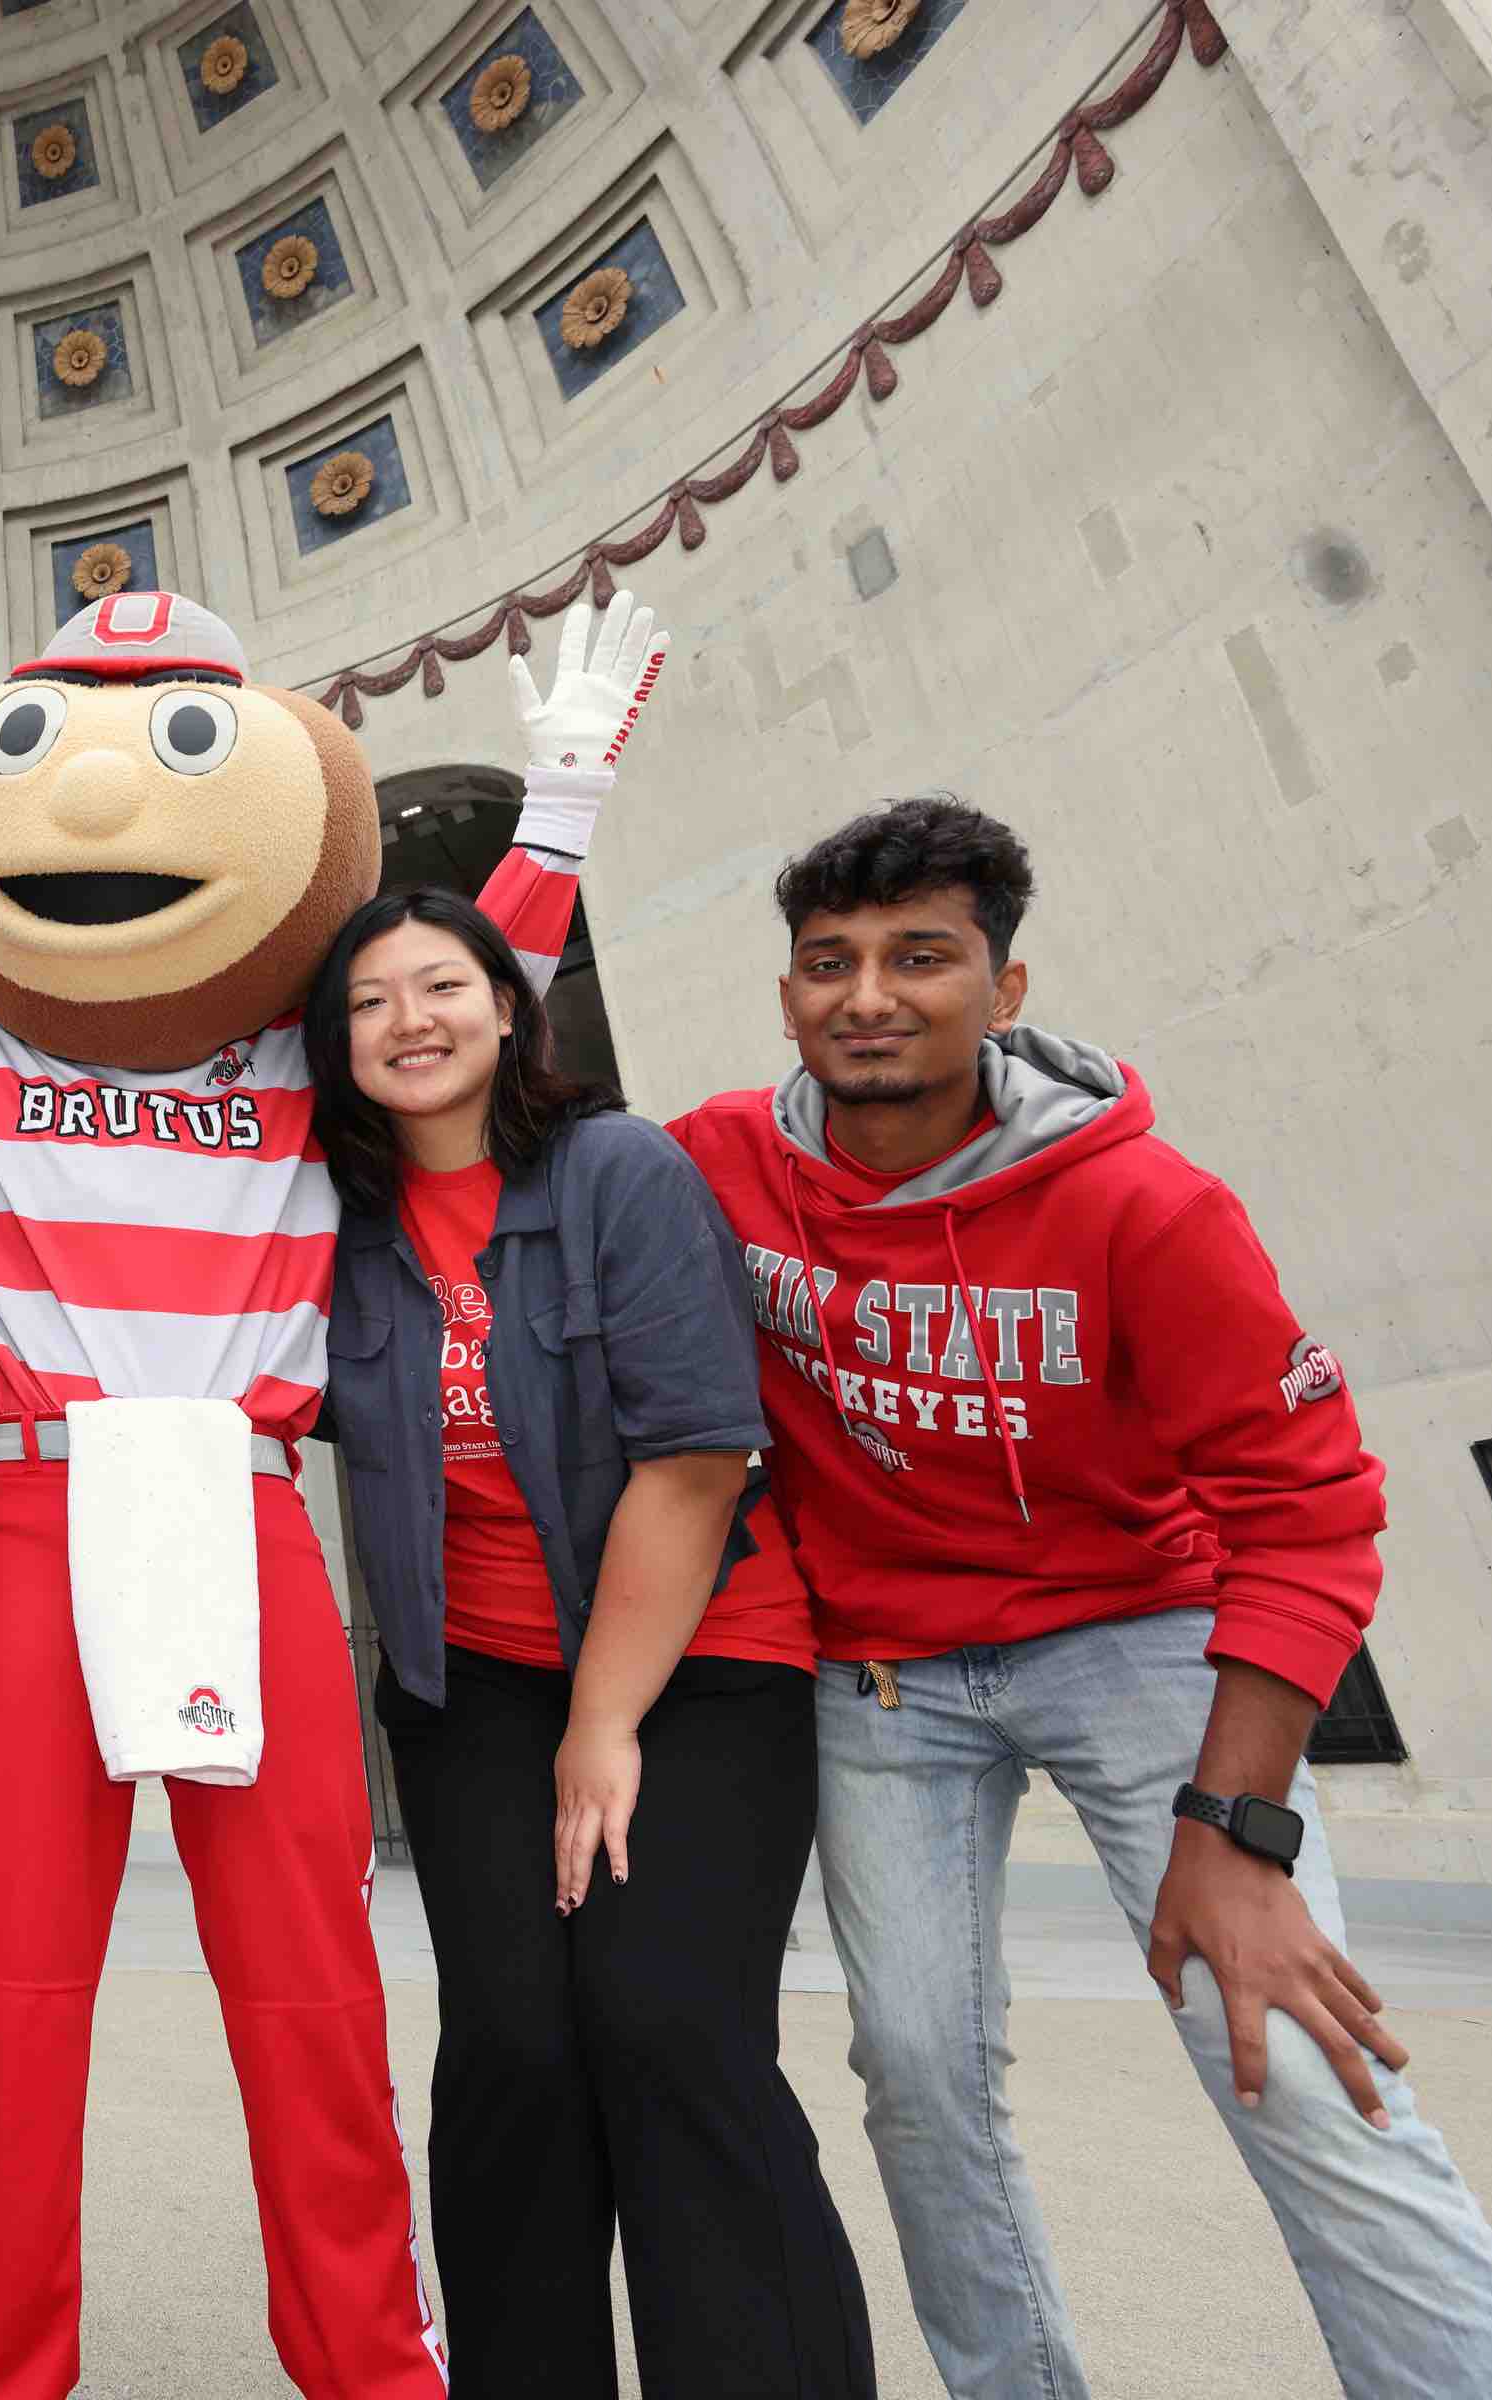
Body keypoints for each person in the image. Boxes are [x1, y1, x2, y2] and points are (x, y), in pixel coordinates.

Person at [0, 592, 667, 2399]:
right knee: (8, 1993)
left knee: (310, 1985)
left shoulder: (305, 1062)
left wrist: (561, 803)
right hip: (31, 1516)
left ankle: (375, 2365)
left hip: (242, 1507)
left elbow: (451, 998)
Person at [477, 793, 1492, 2395]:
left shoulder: (1148, 1209)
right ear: (786, 996)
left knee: (1292, 2058)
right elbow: (470, 1054)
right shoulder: (718, 1162)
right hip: (888, 1676)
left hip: (1138, 1642)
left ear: (1007, 987)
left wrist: (1242, 1831)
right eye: (828, 961)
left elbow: (1310, 1510)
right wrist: (547, 831)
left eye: (922, 957)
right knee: (916, 2075)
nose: (868, 996)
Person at [306, 888, 875, 2397]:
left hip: (697, 1668)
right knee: (509, 2054)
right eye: (368, 1002)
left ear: (509, 1008)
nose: (408, 1022)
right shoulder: (336, 1222)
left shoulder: (620, 1170)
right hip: (469, 1686)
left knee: (667, 2024)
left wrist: (602, 1727)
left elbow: (695, 1460)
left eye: (441, 986)